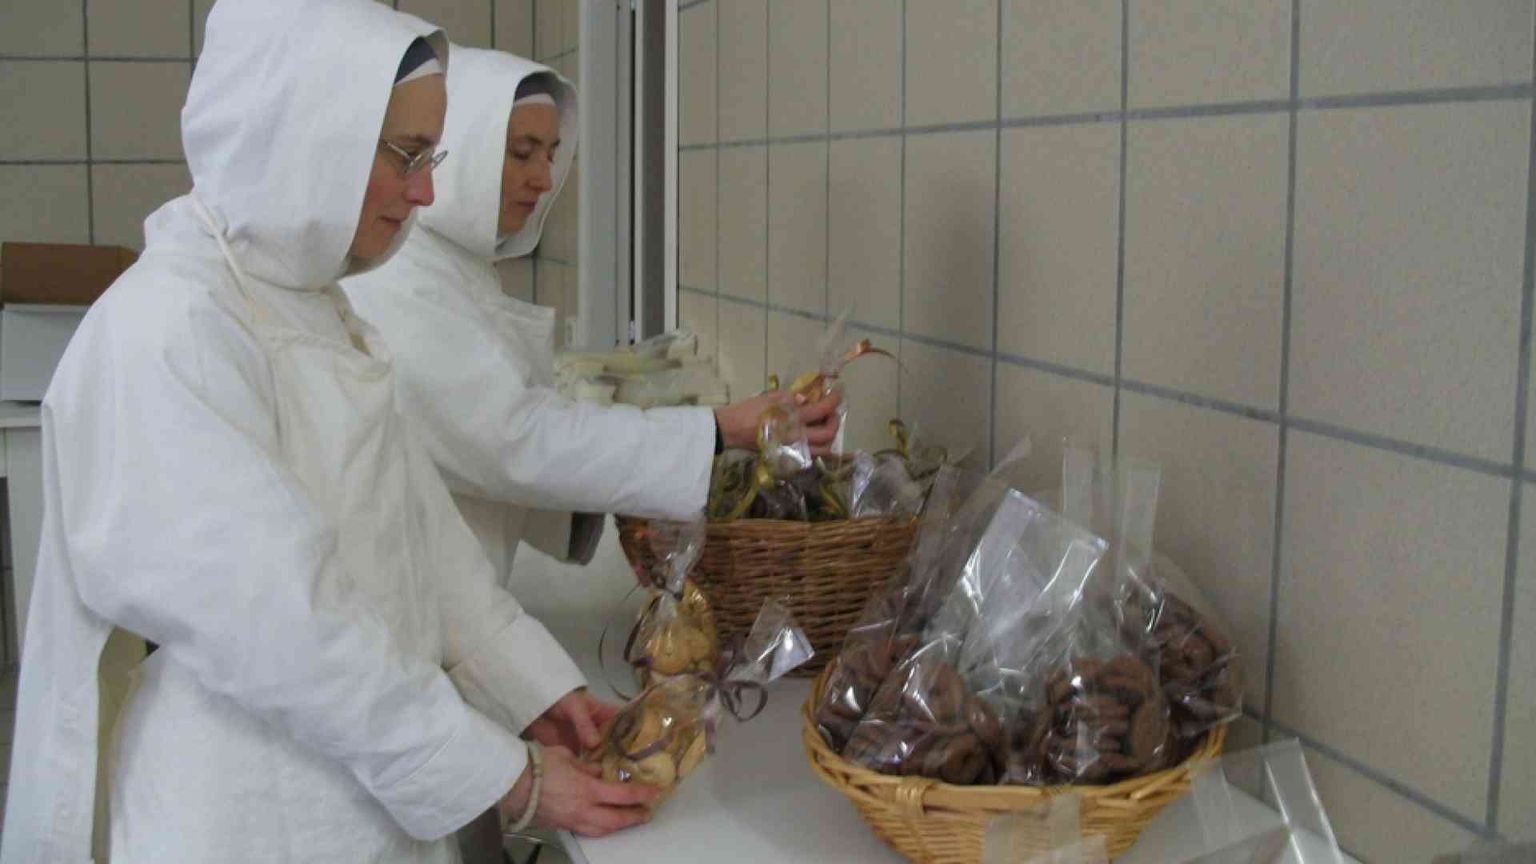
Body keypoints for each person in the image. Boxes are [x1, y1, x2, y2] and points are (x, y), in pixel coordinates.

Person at [0, 3, 652, 862]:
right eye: (406, 156)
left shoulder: (307, 302)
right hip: (247, 815)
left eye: (431, 157)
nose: (425, 191)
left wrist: (533, 685)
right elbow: (281, 621)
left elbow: (415, 529)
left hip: (351, 790)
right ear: (307, 138)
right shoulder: (168, 329)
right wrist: (511, 778)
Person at [341, 45, 841, 587]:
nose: (543, 178)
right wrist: (718, 431)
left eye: (551, 154)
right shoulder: (397, 281)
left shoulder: (449, 266)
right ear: (460, 149)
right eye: (521, 152)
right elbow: (514, 440)